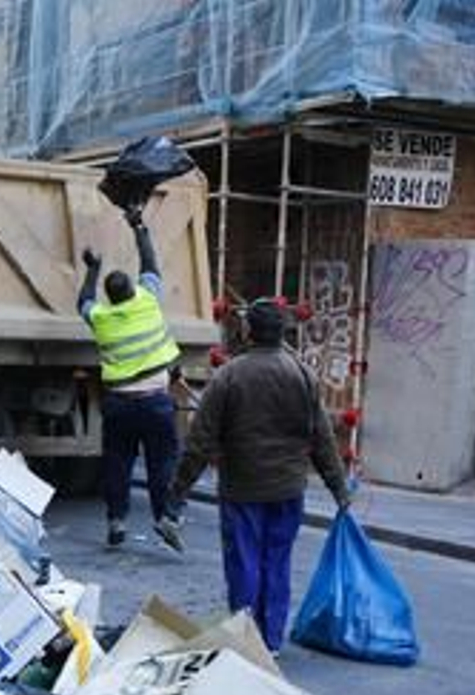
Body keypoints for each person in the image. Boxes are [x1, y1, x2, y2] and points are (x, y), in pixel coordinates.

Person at [170, 299, 351, 654]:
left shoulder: (230, 375)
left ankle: (245, 638)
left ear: (248, 331)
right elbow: (323, 439)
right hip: (287, 489)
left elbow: (200, 441)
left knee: (244, 563)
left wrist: (178, 490)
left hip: (243, 489)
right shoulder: (302, 375)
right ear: (282, 332)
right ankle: (271, 639)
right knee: (277, 563)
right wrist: (339, 489)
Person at [80, 207, 186, 552]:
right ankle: (164, 518)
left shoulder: (102, 319)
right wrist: (138, 226)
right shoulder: (149, 301)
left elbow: (83, 300)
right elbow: (150, 262)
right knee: (162, 463)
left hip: (119, 405)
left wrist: (92, 269)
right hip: (156, 402)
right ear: (133, 290)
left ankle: (116, 522)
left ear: (110, 297)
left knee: (118, 463)